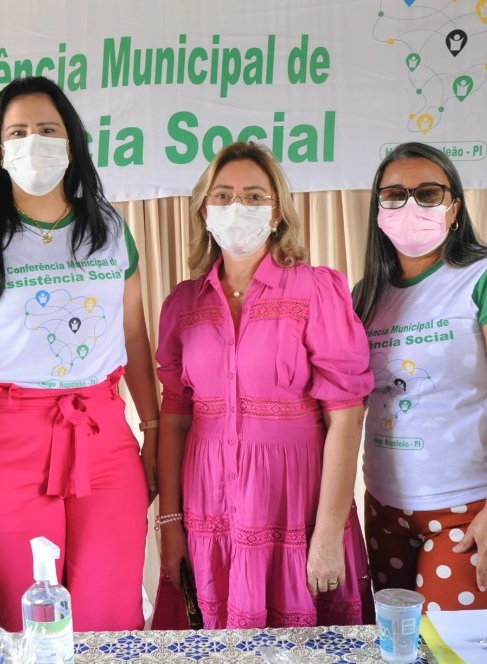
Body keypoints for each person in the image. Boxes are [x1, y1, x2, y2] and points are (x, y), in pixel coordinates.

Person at [0, 76, 159, 632]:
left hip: (105, 438)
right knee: (32, 615)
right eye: (18, 132)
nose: (33, 142)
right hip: (6, 447)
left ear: (72, 142)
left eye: (48, 129)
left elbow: (134, 339)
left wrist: (152, 431)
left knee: (111, 611)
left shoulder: (110, 229)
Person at [155, 141, 375, 629]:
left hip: (295, 505)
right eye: (224, 196)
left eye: (255, 197)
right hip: (207, 505)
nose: (239, 208)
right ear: (204, 210)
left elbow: (347, 416)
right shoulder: (183, 304)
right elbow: (174, 422)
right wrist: (170, 527)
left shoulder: (316, 289)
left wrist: (327, 534)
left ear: (278, 214)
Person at [354, 141, 487, 611]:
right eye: (395, 194)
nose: (410, 205)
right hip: (385, 507)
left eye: (428, 193)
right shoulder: (366, 295)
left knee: (458, 652)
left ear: (455, 207)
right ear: (378, 209)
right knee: (398, 647)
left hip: (475, 509)